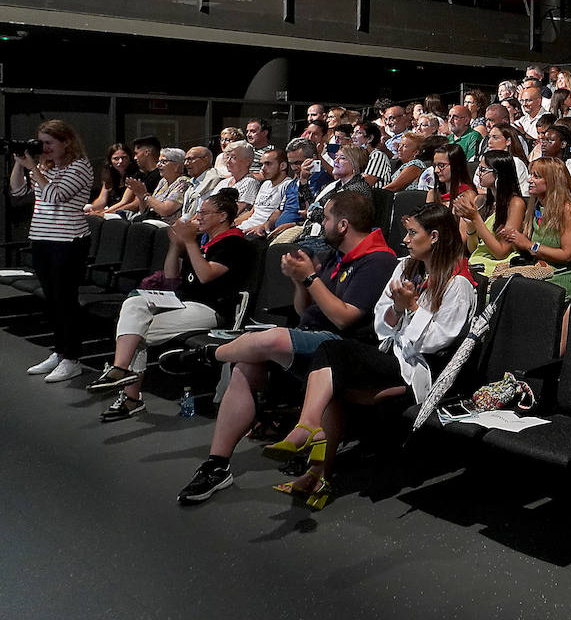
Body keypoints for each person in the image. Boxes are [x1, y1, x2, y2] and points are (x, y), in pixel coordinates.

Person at [168, 189, 397, 503]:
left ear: (342, 224)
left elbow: (345, 319)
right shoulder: (335, 255)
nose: (322, 223)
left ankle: (206, 355)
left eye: (327, 217)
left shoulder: (379, 259)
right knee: (248, 365)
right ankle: (217, 465)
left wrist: (311, 279)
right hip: (313, 338)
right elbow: (305, 313)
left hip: (343, 350)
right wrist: (300, 281)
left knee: (272, 339)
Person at [268, 203, 477, 507]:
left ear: (433, 236)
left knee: (331, 350)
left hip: (417, 368)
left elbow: (439, 342)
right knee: (334, 378)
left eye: (411, 233)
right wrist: (396, 309)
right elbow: (381, 321)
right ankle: (317, 474)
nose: (404, 239)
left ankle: (307, 430)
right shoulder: (406, 267)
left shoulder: (458, 284)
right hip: (389, 353)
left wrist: (413, 309)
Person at [85, 188, 257, 419]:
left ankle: (129, 395)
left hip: (211, 308)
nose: (199, 217)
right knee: (134, 303)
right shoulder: (201, 242)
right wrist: (176, 246)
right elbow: (170, 276)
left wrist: (189, 242)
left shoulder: (235, 243)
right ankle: (121, 369)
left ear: (222, 216)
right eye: (199, 212)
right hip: (181, 300)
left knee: (134, 332)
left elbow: (206, 276)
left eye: (205, 213)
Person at [11, 120, 95, 382]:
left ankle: (72, 358)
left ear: (66, 142)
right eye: (41, 142)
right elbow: (17, 191)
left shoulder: (80, 166)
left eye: (49, 143)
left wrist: (33, 167)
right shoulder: (45, 166)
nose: (44, 148)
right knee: (51, 300)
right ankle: (60, 352)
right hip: (42, 238)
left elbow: (55, 195)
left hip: (68, 241)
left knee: (65, 300)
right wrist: (19, 162)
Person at [498, 156, 571, 299]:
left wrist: (530, 245)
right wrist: (515, 239)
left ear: (552, 181)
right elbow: (531, 249)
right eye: (530, 175)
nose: (529, 180)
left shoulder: (567, 209)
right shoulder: (536, 206)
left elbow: (568, 255)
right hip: (540, 269)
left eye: (536, 176)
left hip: (562, 275)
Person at [455, 149, 527, 276]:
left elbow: (501, 252)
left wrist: (476, 219)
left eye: (483, 170)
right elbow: (474, 250)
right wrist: (471, 227)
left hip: (498, 266)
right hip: (478, 262)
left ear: (498, 174)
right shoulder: (481, 200)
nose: (478, 174)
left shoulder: (515, 204)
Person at [86, 142, 133, 215]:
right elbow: (102, 200)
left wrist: (104, 213)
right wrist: (88, 209)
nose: (120, 161)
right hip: (109, 210)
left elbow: (125, 201)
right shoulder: (109, 176)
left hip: (123, 212)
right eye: (116, 159)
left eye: (124, 158)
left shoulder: (134, 176)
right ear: (110, 161)